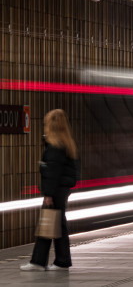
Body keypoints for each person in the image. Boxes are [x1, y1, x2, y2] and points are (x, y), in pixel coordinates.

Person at [21, 109, 80, 272]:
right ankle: (59, 261)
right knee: (55, 224)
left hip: (56, 190)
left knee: (47, 223)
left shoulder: (55, 146)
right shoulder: (66, 143)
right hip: (62, 189)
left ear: (51, 126)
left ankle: (41, 262)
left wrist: (48, 192)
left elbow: (53, 172)